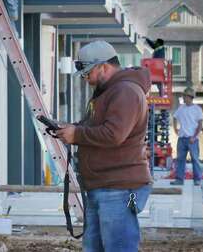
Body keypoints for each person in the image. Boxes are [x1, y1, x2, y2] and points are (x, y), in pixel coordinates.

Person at [52, 40, 152, 252]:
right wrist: (72, 129)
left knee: (119, 247)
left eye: (88, 72)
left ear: (104, 66)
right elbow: (98, 127)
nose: (85, 78)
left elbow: (113, 134)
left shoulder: (126, 91)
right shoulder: (108, 92)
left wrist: (77, 134)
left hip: (120, 188)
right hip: (105, 185)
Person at [172, 89, 203, 186]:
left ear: (190, 97)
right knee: (180, 159)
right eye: (183, 96)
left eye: (185, 96)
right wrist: (175, 129)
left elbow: (200, 125)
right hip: (182, 138)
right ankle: (179, 179)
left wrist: (194, 137)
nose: (183, 98)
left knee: (195, 159)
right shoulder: (181, 108)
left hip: (192, 139)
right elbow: (174, 117)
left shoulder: (197, 109)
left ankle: (197, 179)